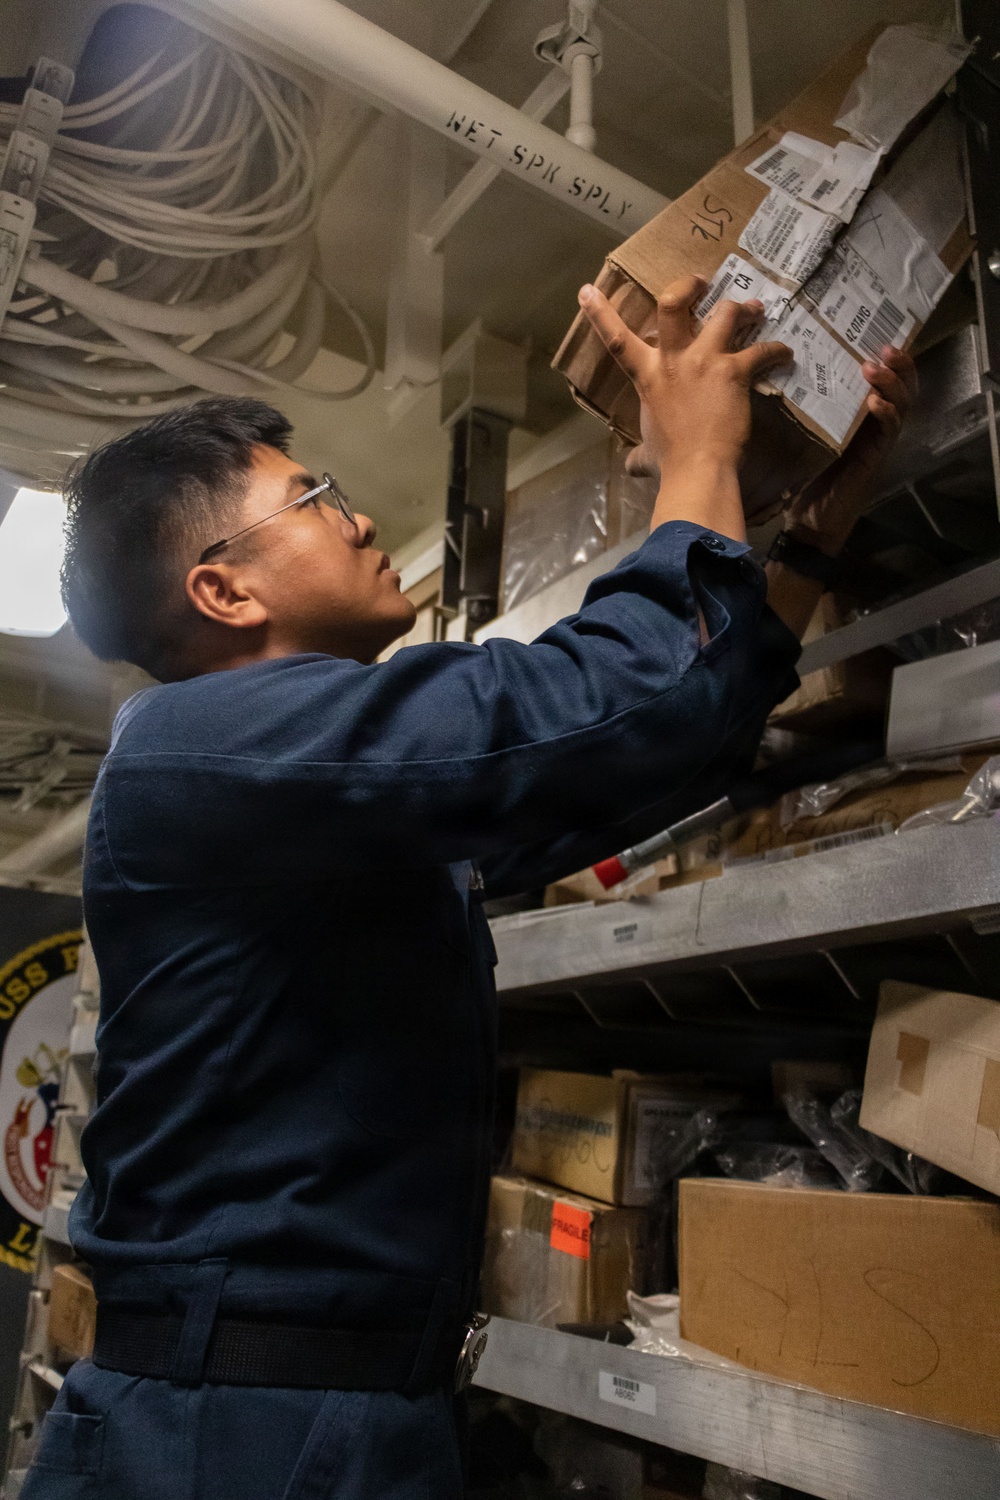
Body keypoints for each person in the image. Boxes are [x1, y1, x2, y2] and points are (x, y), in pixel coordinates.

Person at [22, 277, 914, 1500]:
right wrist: (694, 457)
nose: (358, 519)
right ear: (222, 592)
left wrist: (806, 536)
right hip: (235, 1433)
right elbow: (613, 707)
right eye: (314, 499)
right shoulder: (201, 741)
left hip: (317, 1407)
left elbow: (656, 749)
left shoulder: (320, 807)